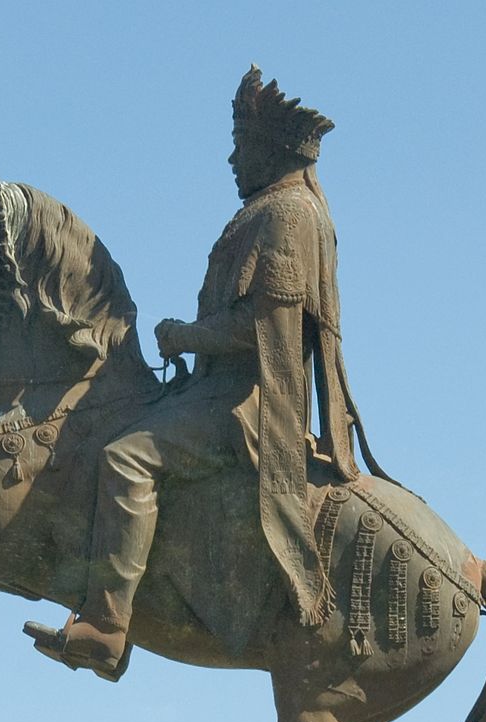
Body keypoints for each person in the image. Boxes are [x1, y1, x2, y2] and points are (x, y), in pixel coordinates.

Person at [27, 66, 391, 679]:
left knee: (124, 457)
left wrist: (183, 335)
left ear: (270, 150)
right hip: (212, 390)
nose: (230, 158)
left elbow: (265, 331)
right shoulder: (271, 210)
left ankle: (108, 626)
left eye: (241, 146)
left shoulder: (288, 215)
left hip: (243, 403)